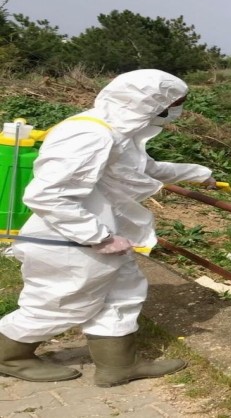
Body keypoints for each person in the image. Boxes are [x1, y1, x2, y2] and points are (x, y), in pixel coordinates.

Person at [0, 69, 216, 386]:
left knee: (123, 294)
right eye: (174, 103)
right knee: (60, 303)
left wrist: (198, 172)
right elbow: (47, 195)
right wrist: (97, 237)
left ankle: (118, 365)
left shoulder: (115, 132)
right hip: (70, 242)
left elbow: (146, 169)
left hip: (99, 237)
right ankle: (9, 356)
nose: (176, 112)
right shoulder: (90, 135)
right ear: (151, 102)